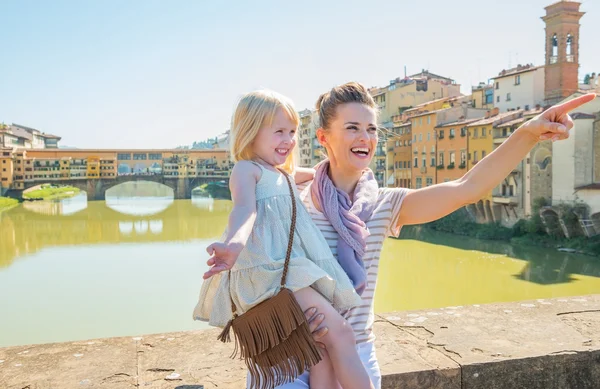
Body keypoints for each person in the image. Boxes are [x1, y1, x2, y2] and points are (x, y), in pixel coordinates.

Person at [276, 82, 596, 388]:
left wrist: (528, 133)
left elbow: (467, 189)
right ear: (323, 137)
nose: (365, 137)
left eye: (372, 128)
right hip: (290, 358)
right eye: (352, 127)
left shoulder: (384, 205)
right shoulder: (289, 196)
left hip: (355, 357)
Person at [193, 89, 375, 389]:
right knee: (341, 333)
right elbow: (244, 210)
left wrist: (357, 167)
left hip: (286, 272)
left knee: (322, 351)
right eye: (279, 132)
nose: (289, 141)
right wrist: (234, 246)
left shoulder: (281, 173)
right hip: (272, 273)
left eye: (292, 132)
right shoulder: (246, 170)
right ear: (251, 131)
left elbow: (322, 172)